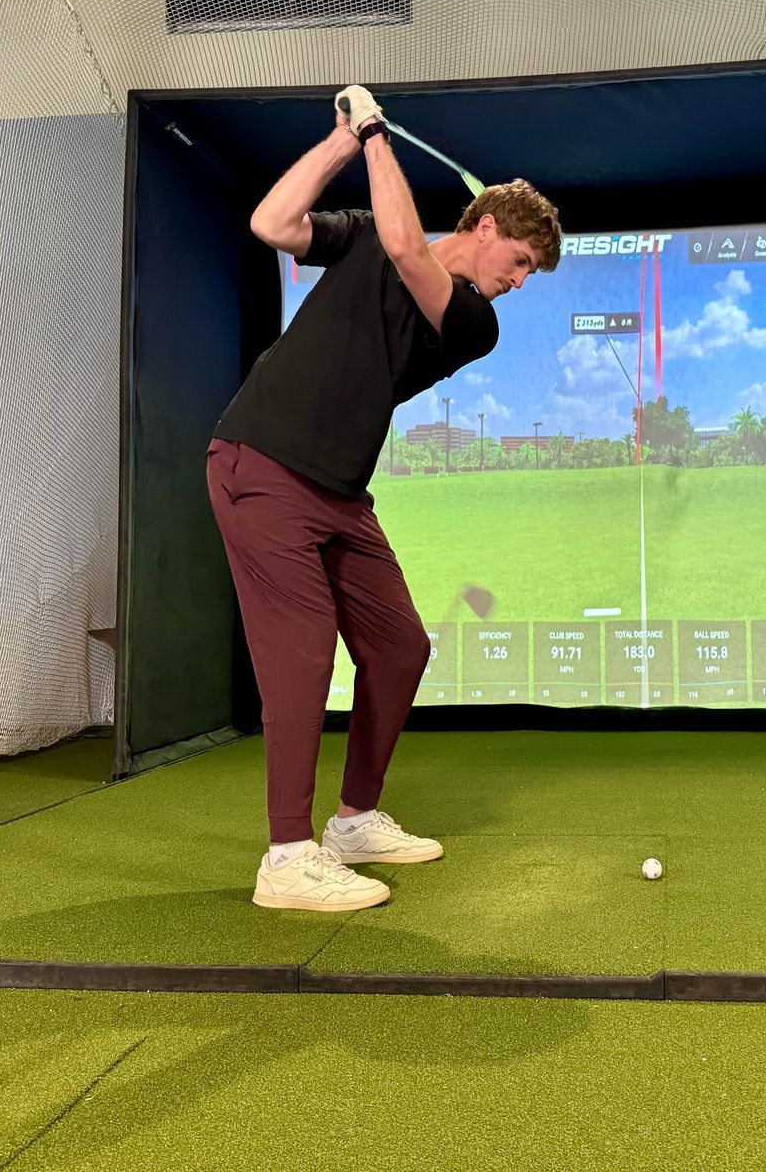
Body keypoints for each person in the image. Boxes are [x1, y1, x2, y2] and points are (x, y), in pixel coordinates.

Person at [208, 85, 562, 911]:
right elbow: (273, 225)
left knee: (399, 646)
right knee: (302, 655)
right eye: (520, 263)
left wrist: (374, 133)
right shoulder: (364, 236)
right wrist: (342, 139)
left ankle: (354, 819)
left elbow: (410, 252)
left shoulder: (474, 320)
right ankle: (287, 858)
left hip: (336, 491)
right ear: (486, 228)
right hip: (261, 462)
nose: (519, 283)